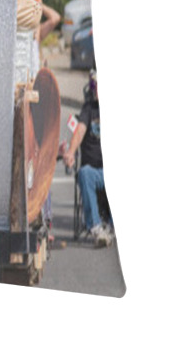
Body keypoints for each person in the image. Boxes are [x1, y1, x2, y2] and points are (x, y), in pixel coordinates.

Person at [63, 73, 113, 247]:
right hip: (93, 171)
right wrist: (70, 151)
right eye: (95, 86)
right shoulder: (88, 109)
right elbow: (79, 131)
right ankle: (97, 228)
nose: (97, 90)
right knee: (84, 173)